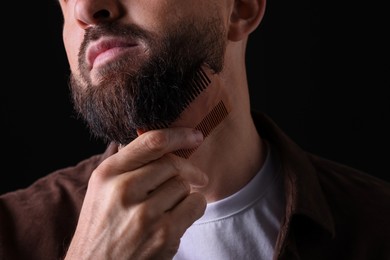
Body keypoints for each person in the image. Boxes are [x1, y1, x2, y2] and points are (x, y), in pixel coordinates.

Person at [1, 0, 389, 259]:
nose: (85, 8)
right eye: (65, 0)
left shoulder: (377, 225)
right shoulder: (11, 233)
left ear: (240, 8)